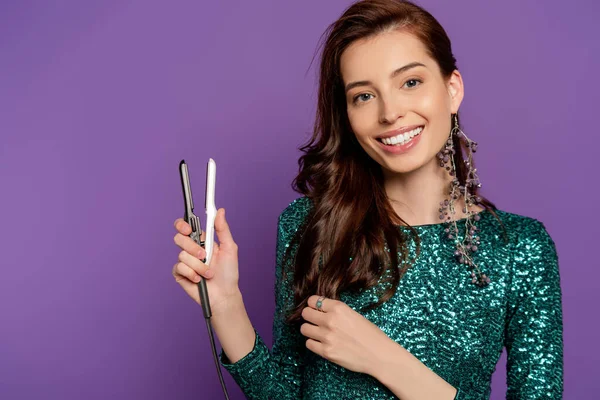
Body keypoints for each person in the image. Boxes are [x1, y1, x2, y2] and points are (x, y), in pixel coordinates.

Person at [171, 0, 564, 398]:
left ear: (452, 88)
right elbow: (284, 393)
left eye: (410, 82)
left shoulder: (519, 249)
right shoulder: (310, 224)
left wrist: (383, 358)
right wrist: (225, 303)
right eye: (363, 96)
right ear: (346, 112)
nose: (390, 112)